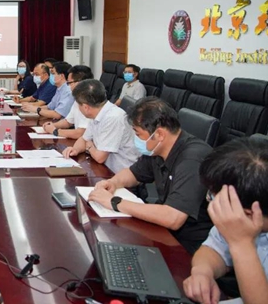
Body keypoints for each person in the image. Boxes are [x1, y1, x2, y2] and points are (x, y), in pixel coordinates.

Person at [88, 97, 213, 254]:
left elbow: (173, 218)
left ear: (159, 134)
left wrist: (114, 202)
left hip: (192, 246)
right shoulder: (157, 149)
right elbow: (133, 173)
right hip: (164, 231)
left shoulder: (192, 159)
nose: (136, 140)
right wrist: (113, 182)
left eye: (138, 134)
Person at [184, 138, 268, 304]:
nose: (210, 200)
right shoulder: (239, 215)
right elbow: (213, 249)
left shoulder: (237, 221)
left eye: (213, 196)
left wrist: (242, 244)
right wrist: (202, 272)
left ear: (249, 213)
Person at [62, 79, 139, 173]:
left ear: (86, 107)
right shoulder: (97, 112)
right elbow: (84, 139)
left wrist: (89, 146)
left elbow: (100, 157)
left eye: (78, 105)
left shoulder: (113, 117)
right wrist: (75, 149)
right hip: (104, 168)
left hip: (120, 174)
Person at [43, 65, 94, 139]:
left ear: (79, 82)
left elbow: (81, 133)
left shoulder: (90, 101)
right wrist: (53, 125)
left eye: (69, 83)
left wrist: (55, 131)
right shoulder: (78, 99)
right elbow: (68, 122)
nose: (68, 86)